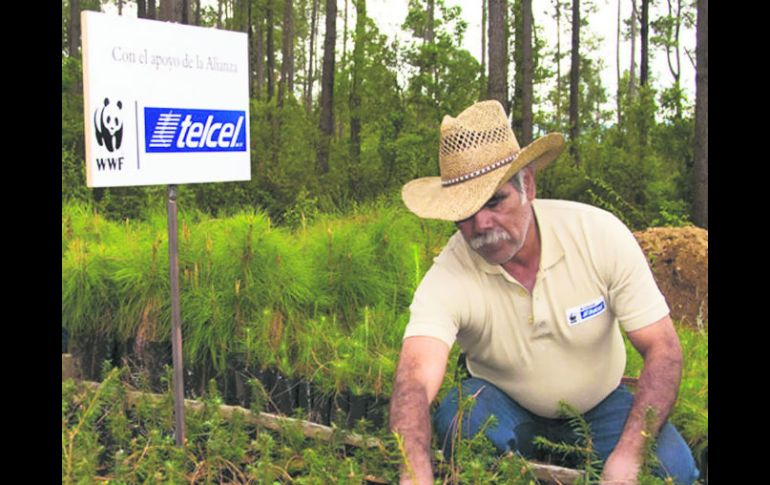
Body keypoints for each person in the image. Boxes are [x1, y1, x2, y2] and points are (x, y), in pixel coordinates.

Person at [388, 100, 699, 485]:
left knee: (673, 471)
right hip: (502, 404)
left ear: (528, 186)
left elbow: (663, 349)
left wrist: (630, 457)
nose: (482, 224)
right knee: (464, 422)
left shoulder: (598, 236)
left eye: (496, 201)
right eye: (465, 213)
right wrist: (413, 472)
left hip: (600, 406)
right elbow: (414, 380)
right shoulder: (451, 273)